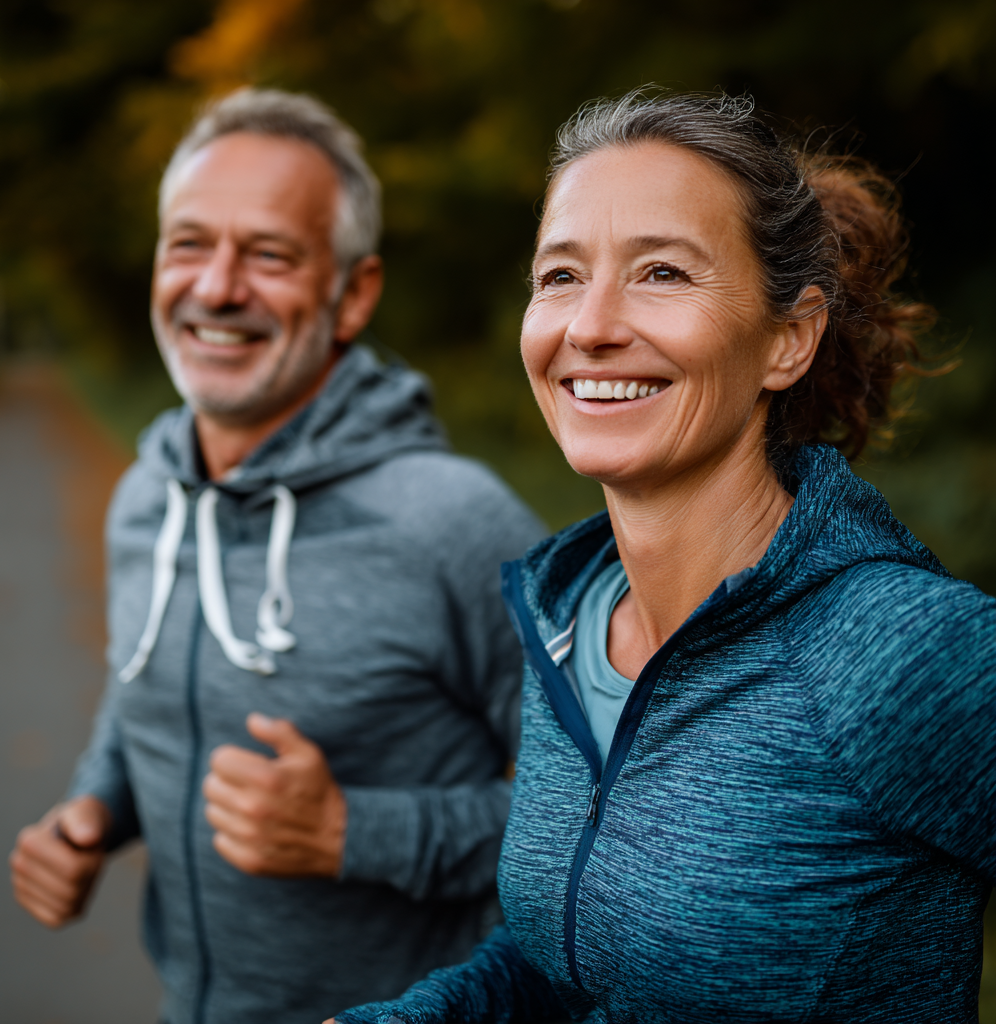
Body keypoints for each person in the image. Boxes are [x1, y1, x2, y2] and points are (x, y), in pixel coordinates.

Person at [332, 90, 996, 1024]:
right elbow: (563, 954)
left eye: (663, 274)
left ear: (788, 339)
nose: (591, 326)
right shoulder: (567, 619)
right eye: (560, 276)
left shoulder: (904, 652)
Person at [8, 87, 545, 1024]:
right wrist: (95, 810)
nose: (216, 287)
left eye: (268, 254)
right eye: (189, 243)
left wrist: (354, 834)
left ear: (353, 294)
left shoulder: (455, 525)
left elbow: (603, 816)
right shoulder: (147, 494)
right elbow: (145, 680)